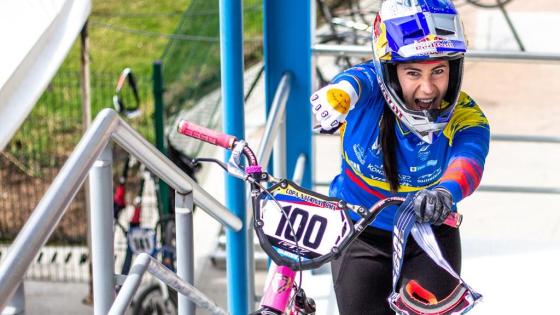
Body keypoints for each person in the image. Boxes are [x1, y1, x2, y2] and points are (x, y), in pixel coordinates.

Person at [310, 0, 490, 314]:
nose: (427, 88)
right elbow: (356, 80)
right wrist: (337, 95)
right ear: (391, 72)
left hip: (430, 231)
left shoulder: (467, 116)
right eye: (412, 72)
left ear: (454, 68)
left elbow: (470, 160)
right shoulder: (370, 89)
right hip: (358, 230)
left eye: (439, 71)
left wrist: (444, 192)